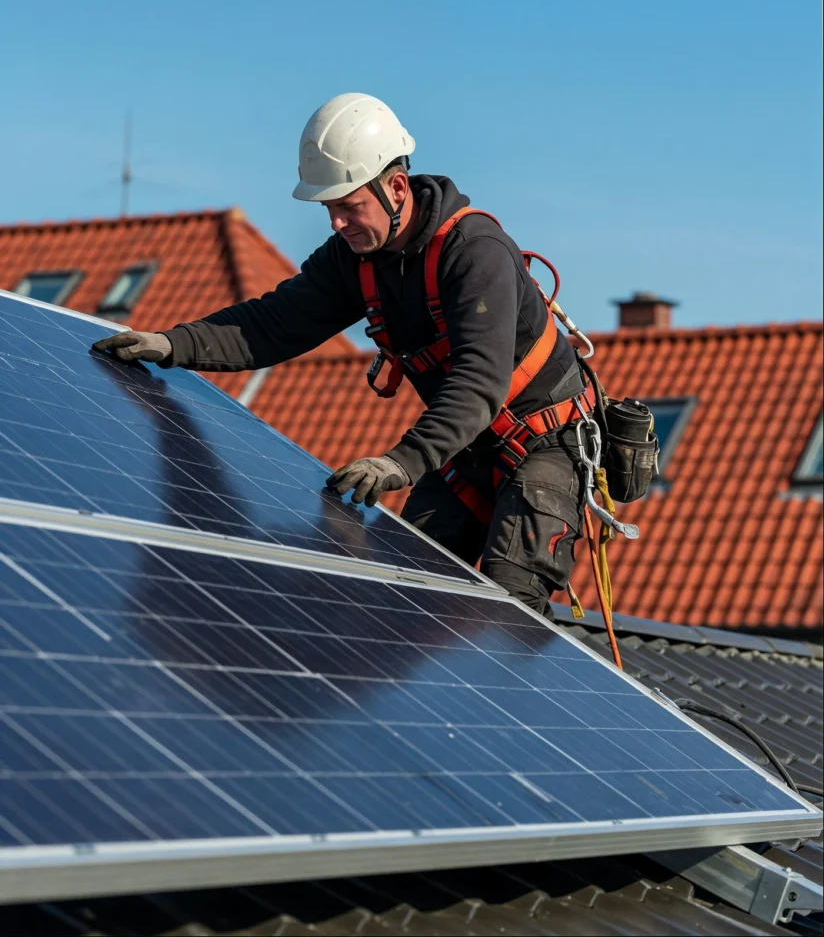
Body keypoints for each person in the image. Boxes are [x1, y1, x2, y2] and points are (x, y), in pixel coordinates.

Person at [93, 93, 592, 618]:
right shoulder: (356, 258)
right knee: (403, 590)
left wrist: (399, 462)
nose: (336, 223)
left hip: (545, 446)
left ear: (396, 187)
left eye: (349, 206)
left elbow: (479, 382)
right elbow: (274, 323)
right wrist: (174, 344)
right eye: (329, 208)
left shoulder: (474, 251)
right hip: (465, 452)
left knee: (506, 617)